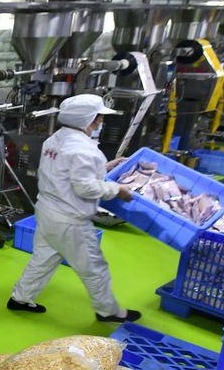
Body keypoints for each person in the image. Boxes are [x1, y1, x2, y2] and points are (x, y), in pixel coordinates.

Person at [8, 93, 140, 323]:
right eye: (98, 119)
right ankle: (108, 312)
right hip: (70, 220)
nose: (99, 123)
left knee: (43, 258)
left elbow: (67, 172)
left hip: (47, 211)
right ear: (87, 120)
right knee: (94, 268)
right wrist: (118, 190)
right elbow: (85, 188)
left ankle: (20, 298)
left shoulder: (55, 140)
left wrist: (109, 165)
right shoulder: (85, 149)